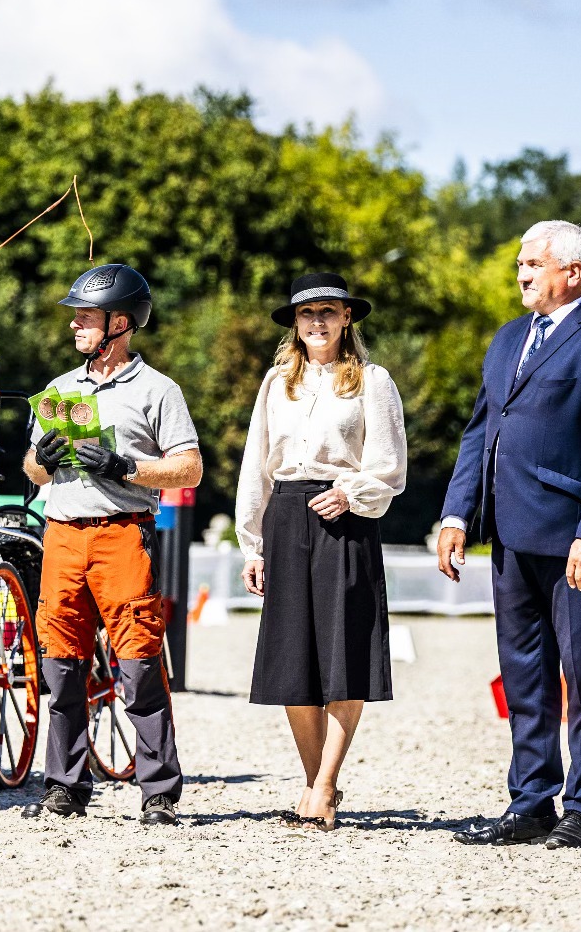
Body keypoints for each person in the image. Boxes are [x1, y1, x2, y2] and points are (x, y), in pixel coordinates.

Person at [438, 220, 581, 851]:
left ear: (572, 272)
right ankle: (530, 803)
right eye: (520, 264)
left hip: (574, 541)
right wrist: (456, 514)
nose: (522, 273)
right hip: (509, 535)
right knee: (523, 677)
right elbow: (481, 432)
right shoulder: (508, 339)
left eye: (533, 263)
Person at [20, 264, 202, 827]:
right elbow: (33, 471)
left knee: (140, 664)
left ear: (119, 323)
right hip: (62, 535)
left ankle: (159, 792)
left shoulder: (159, 390)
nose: (74, 324)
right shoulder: (59, 390)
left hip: (123, 536)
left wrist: (126, 467)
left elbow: (189, 468)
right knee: (60, 668)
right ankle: (64, 786)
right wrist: (41, 461)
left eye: (86, 316)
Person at [235, 273, 406, 831]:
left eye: (328, 311)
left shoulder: (373, 381)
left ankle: (326, 786)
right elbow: (256, 465)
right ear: (295, 321)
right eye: (307, 313)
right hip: (285, 517)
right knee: (293, 659)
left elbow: (389, 465)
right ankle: (313, 782)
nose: (317, 321)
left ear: (346, 317)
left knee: (343, 655)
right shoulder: (276, 382)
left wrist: (351, 492)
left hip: (345, 518)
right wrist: (252, 544)